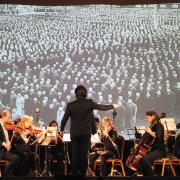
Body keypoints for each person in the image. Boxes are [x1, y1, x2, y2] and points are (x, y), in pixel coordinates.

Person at [60, 85, 116, 176]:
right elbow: (100, 107)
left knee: (75, 156)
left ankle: (74, 174)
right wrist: (112, 106)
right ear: (85, 93)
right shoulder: (89, 103)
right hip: (85, 134)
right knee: (84, 156)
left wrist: (61, 130)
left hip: (74, 134)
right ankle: (83, 175)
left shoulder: (70, 105)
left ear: (76, 93)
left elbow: (64, 119)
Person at [138, 110, 166, 176]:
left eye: (148, 118)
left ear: (153, 116)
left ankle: (152, 176)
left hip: (160, 151)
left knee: (145, 159)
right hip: (153, 150)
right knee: (140, 159)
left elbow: (158, 136)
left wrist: (150, 132)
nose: (147, 119)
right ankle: (141, 175)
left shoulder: (159, 125)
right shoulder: (152, 126)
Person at [0, 110, 20, 176]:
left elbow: (6, 138)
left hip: (4, 151)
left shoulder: (5, 126)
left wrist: (8, 143)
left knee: (17, 158)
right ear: (3, 116)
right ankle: (5, 174)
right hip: (1, 150)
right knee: (15, 158)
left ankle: (7, 175)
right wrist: (4, 144)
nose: (10, 119)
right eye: (8, 117)